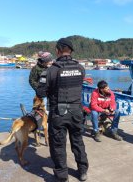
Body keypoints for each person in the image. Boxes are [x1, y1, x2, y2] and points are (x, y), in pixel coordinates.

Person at [36, 38, 89, 182]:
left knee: (58, 144)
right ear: (71, 51)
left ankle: (62, 175)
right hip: (77, 111)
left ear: (58, 50)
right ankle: (83, 171)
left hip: (59, 113)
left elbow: (40, 93)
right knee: (78, 141)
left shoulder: (51, 70)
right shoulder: (80, 68)